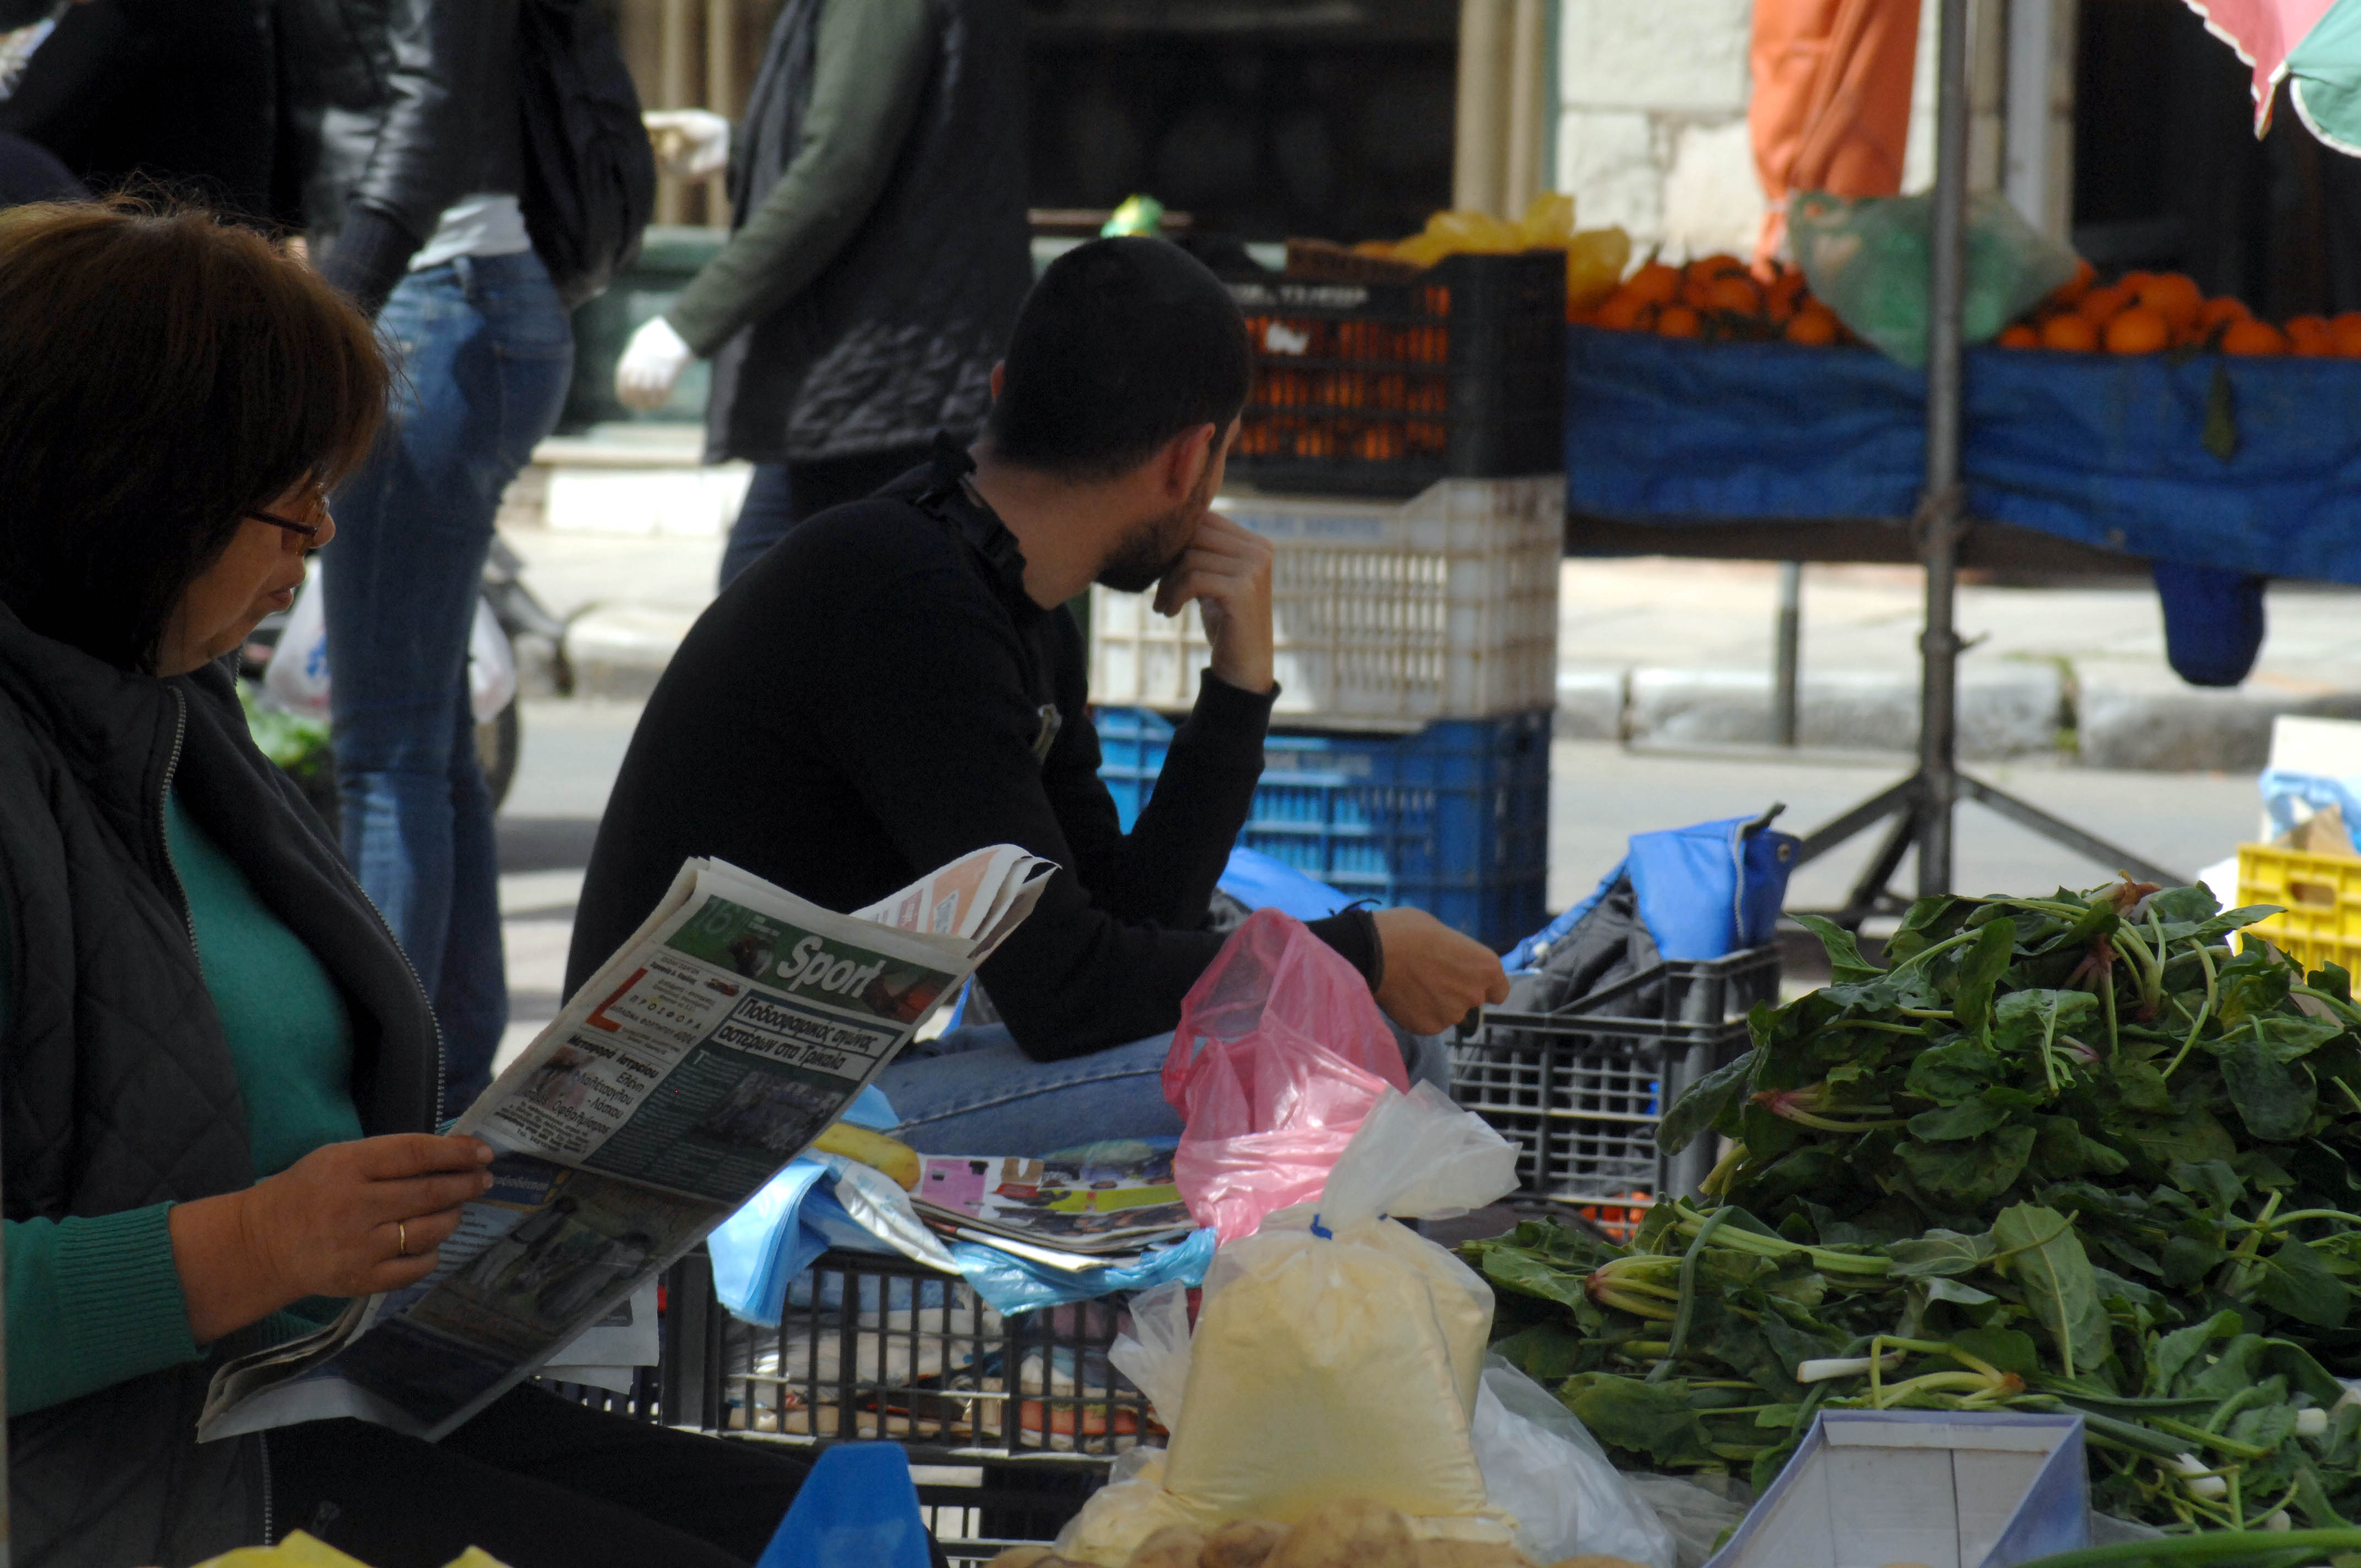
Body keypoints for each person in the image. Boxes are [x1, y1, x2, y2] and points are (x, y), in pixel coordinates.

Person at [0, 198, 926, 1568]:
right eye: (288, 495)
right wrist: (256, 1241)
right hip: (138, 1473)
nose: (318, 538)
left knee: (833, 1520)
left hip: (322, 1394)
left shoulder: (175, 706)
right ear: (138, 488)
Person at [568, 238, 1511, 1155]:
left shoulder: (1003, 596)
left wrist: (1236, 688)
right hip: (672, 1125)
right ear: (1190, 460)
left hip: (811, 1085)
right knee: (1337, 1047)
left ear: (999, 390)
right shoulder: (909, 601)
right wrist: (1361, 952)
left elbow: (1132, 925)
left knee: (1340, 1029)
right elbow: (1070, 998)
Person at [302, 0, 580, 1116]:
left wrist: (327, 303)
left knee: (385, 752)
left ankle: (384, 1102)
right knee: (423, 740)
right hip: (456, 303)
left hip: (429, 304)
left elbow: (429, 96)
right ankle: (446, 1081)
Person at [613, 0, 1032, 587]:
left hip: (879, 376)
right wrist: (737, 147)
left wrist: (687, 325)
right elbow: (899, 152)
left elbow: (839, 168)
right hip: (900, 374)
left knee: (758, 620)